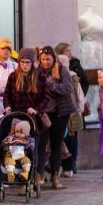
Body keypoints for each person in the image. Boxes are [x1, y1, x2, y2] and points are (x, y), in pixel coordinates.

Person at [3, 47, 48, 187]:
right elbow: (7, 95)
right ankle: (15, 173)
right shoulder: (13, 76)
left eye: (28, 62)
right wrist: (7, 106)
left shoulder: (40, 76)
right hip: (16, 115)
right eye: (22, 62)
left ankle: (33, 174)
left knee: (31, 146)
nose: (24, 65)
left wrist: (36, 109)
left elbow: (46, 97)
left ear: (32, 62)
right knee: (14, 145)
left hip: (31, 117)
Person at [37, 46, 74, 190]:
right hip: (44, 113)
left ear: (54, 59)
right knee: (41, 144)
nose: (46, 62)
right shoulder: (38, 72)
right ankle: (39, 175)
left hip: (60, 113)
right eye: (43, 59)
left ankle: (55, 178)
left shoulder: (62, 70)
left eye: (48, 59)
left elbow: (67, 88)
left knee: (56, 145)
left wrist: (51, 85)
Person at [57, 54, 85, 178]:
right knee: (65, 139)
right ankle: (66, 165)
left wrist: (79, 110)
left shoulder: (73, 78)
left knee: (70, 139)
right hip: (68, 112)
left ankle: (70, 165)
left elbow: (79, 96)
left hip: (71, 113)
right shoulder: (59, 76)